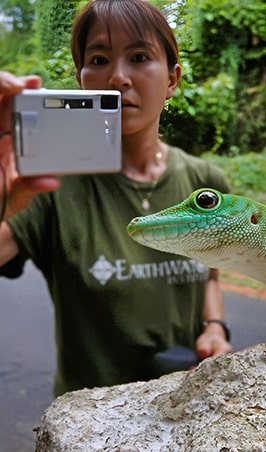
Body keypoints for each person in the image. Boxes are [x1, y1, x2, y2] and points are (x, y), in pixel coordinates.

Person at [0, 0, 232, 396]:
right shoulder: (46, 188)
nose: (118, 77)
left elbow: (211, 273)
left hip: (185, 412)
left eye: (140, 56)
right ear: (81, 78)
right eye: (99, 58)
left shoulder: (206, 184)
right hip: (90, 425)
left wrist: (214, 326)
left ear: (172, 79)